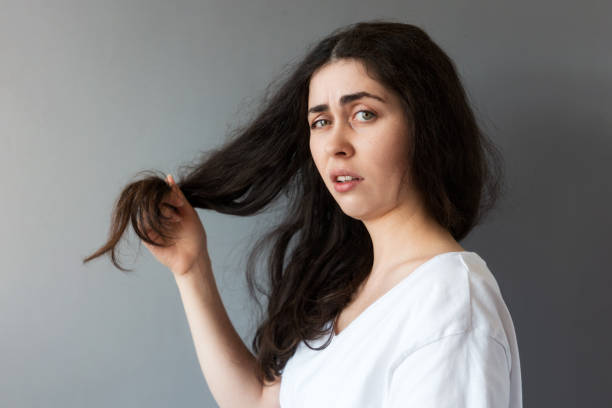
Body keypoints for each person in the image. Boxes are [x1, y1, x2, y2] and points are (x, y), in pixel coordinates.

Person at [83, 19, 522, 407]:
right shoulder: (353, 290)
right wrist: (191, 268)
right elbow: (260, 403)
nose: (335, 144)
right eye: (320, 122)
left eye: (364, 114)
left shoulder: (448, 307)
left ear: (425, 127)